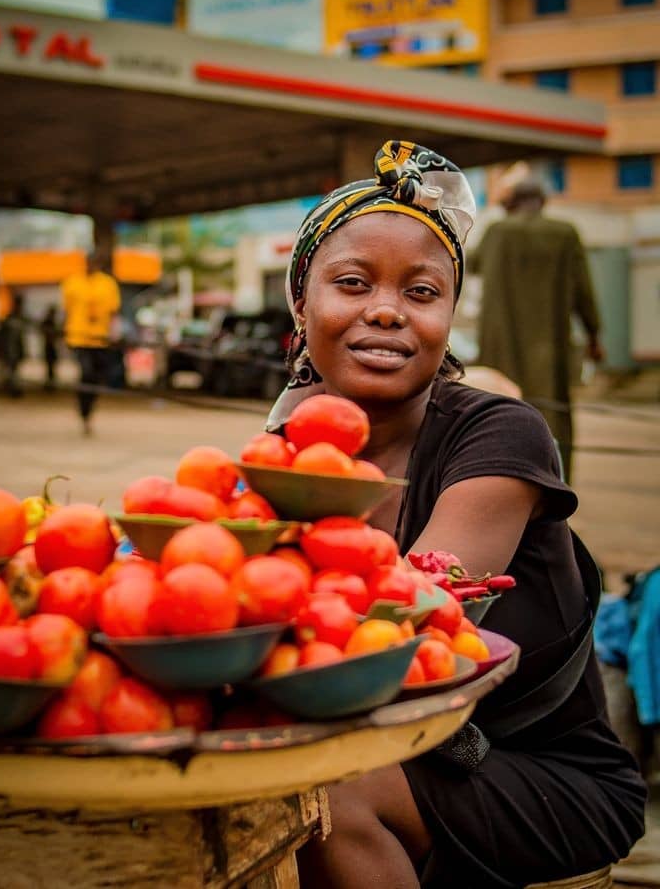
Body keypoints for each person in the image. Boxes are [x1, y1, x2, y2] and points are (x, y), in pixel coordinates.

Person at [266, 140, 646, 889]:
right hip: (389, 749)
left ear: (448, 314)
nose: (384, 309)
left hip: (540, 772)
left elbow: (408, 619)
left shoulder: (502, 433)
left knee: (325, 794)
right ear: (299, 303)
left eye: (421, 291)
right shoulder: (284, 449)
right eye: (351, 283)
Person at [471, 176, 603, 482]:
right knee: (552, 410)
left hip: (500, 344)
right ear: (543, 202)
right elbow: (584, 289)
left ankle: (498, 473)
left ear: (511, 204)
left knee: (498, 408)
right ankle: (554, 478)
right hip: (550, 344)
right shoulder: (564, 233)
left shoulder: (497, 231)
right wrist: (594, 335)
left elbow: (473, 264)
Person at [61, 251, 121, 435]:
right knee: (86, 373)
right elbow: (66, 310)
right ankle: (83, 410)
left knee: (96, 377)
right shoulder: (72, 282)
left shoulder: (108, 284)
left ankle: (89, 408)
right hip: (78, 338)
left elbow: (113, 312)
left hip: (100, 339)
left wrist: (114, 333)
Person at [40, 304, 60, 391]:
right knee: (50, 367)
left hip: (51, 347)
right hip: (49, 347)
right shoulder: (48, 321)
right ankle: (49, 385)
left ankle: (50, 384)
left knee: (51, 367)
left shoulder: (51, 321)